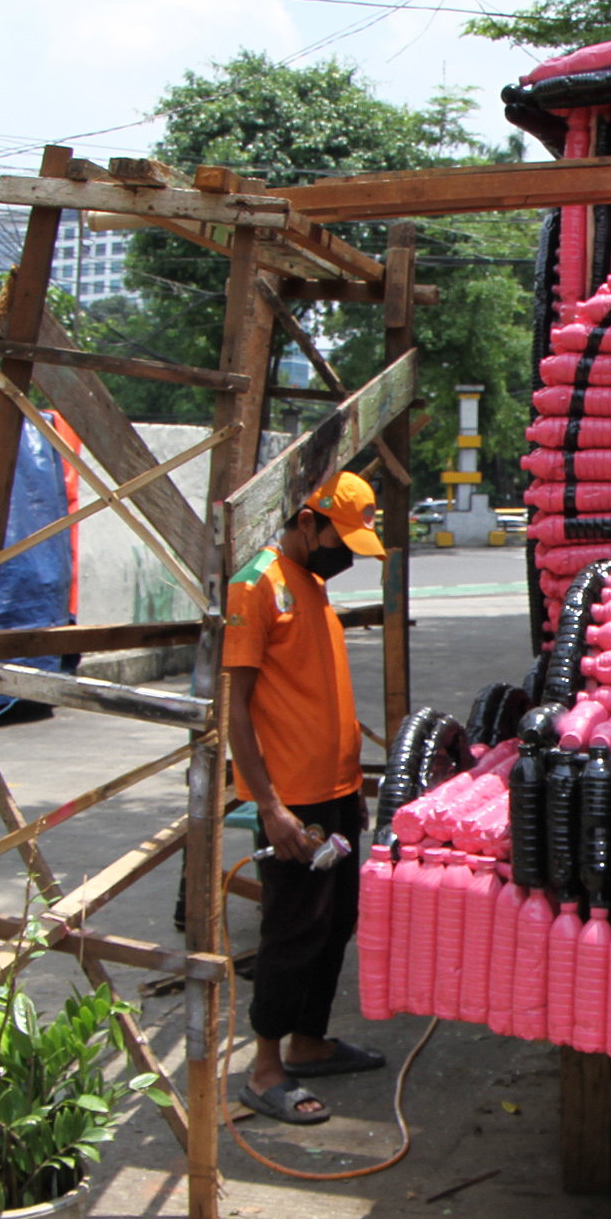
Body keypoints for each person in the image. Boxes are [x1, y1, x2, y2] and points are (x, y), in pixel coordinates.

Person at [225, 470, 389, 1125]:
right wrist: (268, 804)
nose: (344, 553)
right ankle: (266, 1065)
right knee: (291, 929)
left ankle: (310, 1039)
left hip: (338, 794)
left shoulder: (312, 585)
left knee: (335, 921)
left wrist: (353, 790)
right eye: (338, 537)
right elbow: (234, 707)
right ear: (306, 520)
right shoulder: (256, 583)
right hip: (292, 802)